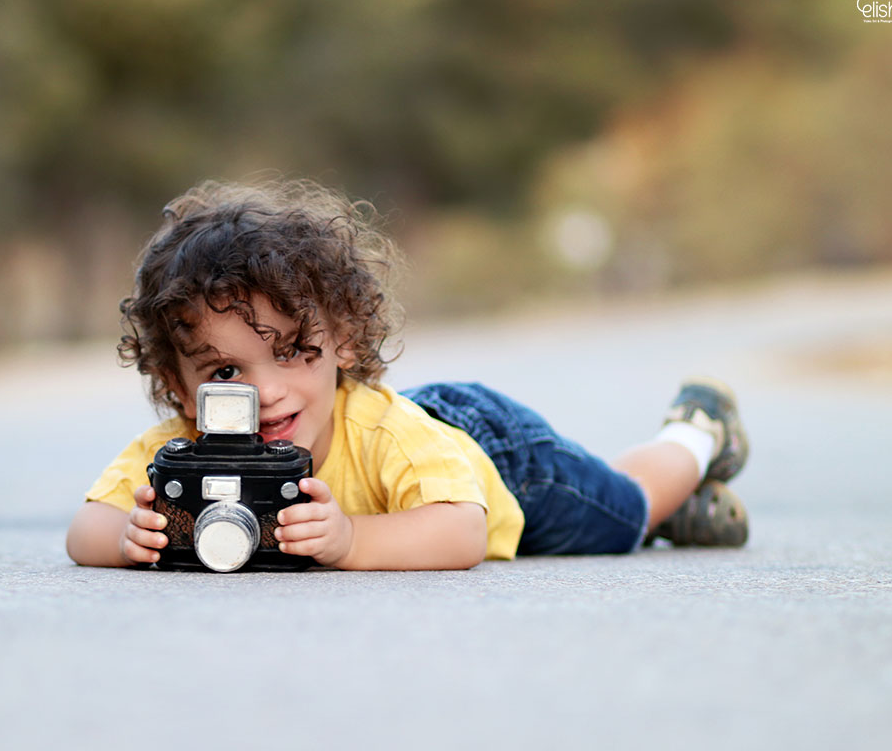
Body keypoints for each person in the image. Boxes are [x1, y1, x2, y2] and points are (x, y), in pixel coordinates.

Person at [65, 179, 749, 570]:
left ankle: (694, 437)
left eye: (293, 351)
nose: (265, 392)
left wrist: (353, 540)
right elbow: (84, 529)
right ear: (179, 386)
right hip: (439, 475)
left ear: (342, 340)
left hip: (492, 458)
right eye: (225, 371)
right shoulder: (182, 451)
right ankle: (688, 506)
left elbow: (461, 532)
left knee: (622, 513)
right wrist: (132, 537)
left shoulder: (388, 437)